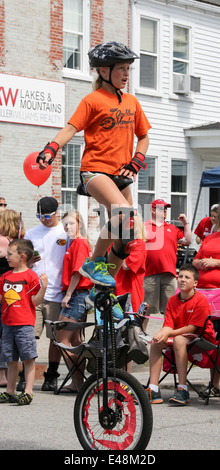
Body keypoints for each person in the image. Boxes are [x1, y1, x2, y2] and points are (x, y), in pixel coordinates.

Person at [37, 41, 151, 291]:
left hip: (122, 173)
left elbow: (143, 137)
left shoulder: (131, 102)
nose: (125, 74)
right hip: (95, 170)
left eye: (128, 69)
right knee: (123, 212)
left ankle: (104, 286)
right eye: (121, 68)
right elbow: (71, 128)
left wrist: (136, 161)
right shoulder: (93, 100)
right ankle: (94, 262)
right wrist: (52, 148)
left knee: (125, 236)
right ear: (103, 71)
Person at [146, 264, 217, 406]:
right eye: (180, 276)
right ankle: (153, 389)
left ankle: (182, 389)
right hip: (181, 337)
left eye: (187, 277)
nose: (182, 280)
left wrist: (168, 332)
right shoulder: (172, 300)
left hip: (202, 338)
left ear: (195, 283)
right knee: (156, 341)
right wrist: (162, 333)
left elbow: (193, 327)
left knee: (178, 339)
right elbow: (168, 324)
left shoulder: (201, 300)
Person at [24, 197, 68, 391]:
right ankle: (25, 375)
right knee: (28, 336)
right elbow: (22, 261)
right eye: (39, 216)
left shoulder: (65, 232)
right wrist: (29, 260)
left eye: (47, 216)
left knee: (55, 338)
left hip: (57, 292)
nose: (43, 219)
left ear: (57, 212)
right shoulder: (31, 233)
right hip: (33, 292)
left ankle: (51, 375)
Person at [0, 239, 48, 405]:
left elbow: (35, 302)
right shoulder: (5, 277)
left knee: (28, 359)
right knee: (11, 360)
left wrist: (43, 287)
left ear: (22, 257)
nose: (6, 257)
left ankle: (28, 391)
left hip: (24, 325)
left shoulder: (31, 276)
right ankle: (10, 391)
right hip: (7, 325)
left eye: (10, 254)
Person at [57, 209, 93, 392]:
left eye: (71, 223)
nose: (68, 226)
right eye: (65, 224)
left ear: (79, 223)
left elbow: (78, 271)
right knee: (77, 340)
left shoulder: (80, 243)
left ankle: (80, 383)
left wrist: (68, 294)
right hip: (79, 294)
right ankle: (78, 383)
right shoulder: (74, 243)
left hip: (77, 295)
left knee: (62, 337)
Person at [143, 199, 192, 329]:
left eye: (166, 209)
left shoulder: (172, 228)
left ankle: (170, 337)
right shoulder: (144, 226)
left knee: (171, 310)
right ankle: (139, 339)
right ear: (153, 210)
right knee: (145, 310)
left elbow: (188, 240)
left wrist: (185, 223)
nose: (164, 211)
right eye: (161, 208)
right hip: (149, 274)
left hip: (169, 274)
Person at [193, 207, 220, 395]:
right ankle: (215, 384)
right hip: (203, 292)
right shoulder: (210, 237)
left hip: (219, 292)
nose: (214, 218)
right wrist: (201, 263)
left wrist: (216, 263)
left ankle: (216, 382)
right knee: (211, 336)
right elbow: (195, 259)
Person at [0, 210, 25, 387]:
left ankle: (4, 375)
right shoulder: (12, 244)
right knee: (7, 335)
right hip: (10, 293)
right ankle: (8, 375)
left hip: (4, 292)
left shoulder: (5, 242)